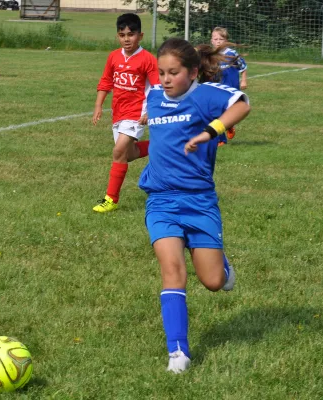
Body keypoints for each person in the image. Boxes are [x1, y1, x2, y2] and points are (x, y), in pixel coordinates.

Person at [139, 38, 250, 373]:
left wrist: (210, 131)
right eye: (161, 73)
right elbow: (154, 139)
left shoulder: (205, 95)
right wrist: (128, 147)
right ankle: (178, 353)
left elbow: (242, 105)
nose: (165, 79)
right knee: (173, 270)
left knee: (214, 281)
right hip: (160, 200)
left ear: (193, 72)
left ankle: (222, 265)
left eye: (174, 72)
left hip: (200, 202)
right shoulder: (154, 98)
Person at [91, 13, 160, 213]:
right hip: (118, 113)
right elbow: (106, 81)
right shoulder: (113, 56)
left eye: (131, 34)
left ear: (140, 36)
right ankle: (161, 144)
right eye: (122, 35)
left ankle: (111, 199)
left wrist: (151, 111)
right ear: (117, 36)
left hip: (137, 113)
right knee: (129, 154)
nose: (126, 39)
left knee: (118, 152)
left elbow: (156, 87)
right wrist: (98, 105)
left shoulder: (147, 59)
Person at [211, 27, 248, 145]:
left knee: (228, 111)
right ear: (211, 40)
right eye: (215, 39)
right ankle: (221, 139)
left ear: (226, 41)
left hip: (231, 89)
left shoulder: (231, 54)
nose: (218, 41)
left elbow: (243, 67)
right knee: (216, 111)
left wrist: (243, 81)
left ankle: (230, 124)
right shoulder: (211, 55)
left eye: (220, 39)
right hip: (217, 88)